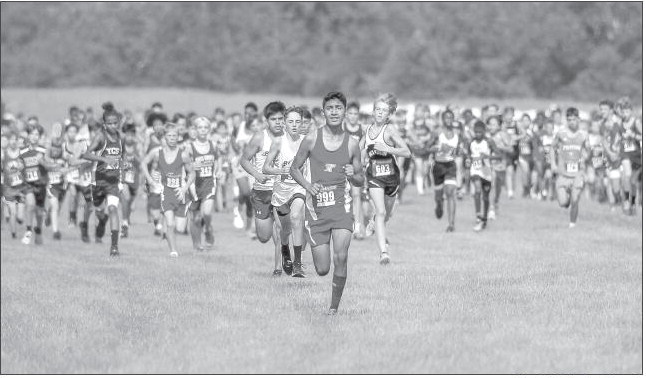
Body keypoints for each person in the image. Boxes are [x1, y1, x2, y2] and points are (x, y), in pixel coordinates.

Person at [290, 91, 365, 315]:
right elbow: (294, 168)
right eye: (330, 108)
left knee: (341, 256)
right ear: (324, 112)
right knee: (323, 269)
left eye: (338, 108)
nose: (334, 112)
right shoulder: (312, 138)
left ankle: (333, 308)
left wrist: (354, 174)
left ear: (344, 112)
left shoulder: (352, 144)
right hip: (317, 211)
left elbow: (361, 179)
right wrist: (307, 185)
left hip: (342, 208)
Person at [361, 93, 410, 263]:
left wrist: (388, 149)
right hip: (374, 177)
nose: (380, 113)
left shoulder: (389, 130)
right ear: (373, 112)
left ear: (389, 115)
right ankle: (384, 253)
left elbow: (406, 151)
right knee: (380, 211)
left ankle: (375, 223)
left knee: (386, 215)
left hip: (392, 178)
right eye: (378, 109)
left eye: (384, 110)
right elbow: (358, 153)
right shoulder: (366, 131)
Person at [263, 106, 308, 277]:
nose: (294, 125)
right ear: (284, 124)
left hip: (299, 188)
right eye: (291, 121)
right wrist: (279, 171)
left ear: (302, 123)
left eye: (298, 121)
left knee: (296, 217)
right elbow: (266, 167)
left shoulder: (306, 142)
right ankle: (284, 248)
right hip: (281, 192)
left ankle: (297, 264)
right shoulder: (278, 143)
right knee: (284, 230)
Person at [240, 101, 284, 276]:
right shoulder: (259, 138)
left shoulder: (290, 138)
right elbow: (243, 160)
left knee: (281, 231)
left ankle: (278, 268)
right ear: (267, 120)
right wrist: (257, 175)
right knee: (264, 237)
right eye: (274, 119)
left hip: (282, 191)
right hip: (262, 191)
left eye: (281, 118)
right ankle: (271, 227)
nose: (278, 122)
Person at [141, 123, 194, 257]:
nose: (172, 138)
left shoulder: (183, 155)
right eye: (169, 136)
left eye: (174, 136)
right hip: (166, 193)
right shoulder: (157, 153)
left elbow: (193, 173)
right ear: (164, 137)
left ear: (178, 137)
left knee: (180, 228)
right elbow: (143, 163)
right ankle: (173, 251)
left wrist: (185, 188)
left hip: (181, 194)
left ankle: (169, 232)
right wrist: (151, 181)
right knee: (170, 223)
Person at [80, 103, 125, 256]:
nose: (113, 126)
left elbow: (122, 158)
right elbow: (86, 154)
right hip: (98, 181)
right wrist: (104, 160)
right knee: (98, 211)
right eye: (110, 123)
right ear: (104, 124)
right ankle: (98, 220)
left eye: (115, 123)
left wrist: (123, 176)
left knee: (113, 209)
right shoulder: (101, 136)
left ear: (118, 122)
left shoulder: (121, 138)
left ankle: (114, 247)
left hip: (113, 182)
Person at [185, 116, 221, 251]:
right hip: (194, 185)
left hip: (209, 183)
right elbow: (184, 165)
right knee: (195, 218)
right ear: (195, 129)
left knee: (206, 213)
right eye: (200, 127)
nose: (203, 130)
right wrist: (190, 167)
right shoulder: (189, 147)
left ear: (209, 129)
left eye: (206, 127)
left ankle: (208, 229)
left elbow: (218, 159)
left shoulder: (213, 145)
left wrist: (218, 171)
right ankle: (197, 245)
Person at [551, 107, 589, 228]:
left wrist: (586, 158)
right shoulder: (561, 134)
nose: (572, 122)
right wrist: (553, 164)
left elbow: (589, 150)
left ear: (579, 119)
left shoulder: (583, 135)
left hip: (578, 173)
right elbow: (552, 148)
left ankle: (572, 224)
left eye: (574, 119)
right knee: (563, 203)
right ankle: (566, 197)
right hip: (563, 174)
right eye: (569, 120)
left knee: (575, 198)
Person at [428, 109, 465, 232]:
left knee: (450, 192)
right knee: (439, 196)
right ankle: (439, 204)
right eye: (446, 118)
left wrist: (459, 151)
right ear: (442, 119)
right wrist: (438, 148)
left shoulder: (457, 134)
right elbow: (427, 148)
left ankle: (451, 224)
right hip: (438, 166)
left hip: (450, 166)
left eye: (451, 118)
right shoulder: (437, 132)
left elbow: (460, 150)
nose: (448, 120)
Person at [19, 123, 49, 245]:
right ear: (28, 135)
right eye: (32, 134)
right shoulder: (22, 151)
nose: (34, 136)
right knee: (30, 205)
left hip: (41, 184)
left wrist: (42, 161)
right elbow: (20, 165)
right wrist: (18, 166)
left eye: (37, 134)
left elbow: (48, 165)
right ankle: (28, 231)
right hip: (28, 184)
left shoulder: (44, 150)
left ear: (40, 136)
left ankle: (39, 230)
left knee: (39, 212)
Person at [64, 123, 95, 242]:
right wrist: (85, 161)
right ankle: (72, 217)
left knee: (90, 206)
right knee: (72, 195)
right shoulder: (81, 143)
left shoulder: (101, 144)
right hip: (75, 177)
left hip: (89, 179)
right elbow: (72, 161)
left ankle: (86, 225)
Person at [466, 121, 496, 232]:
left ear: (484, 131)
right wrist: (468, 160)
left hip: (487, 172)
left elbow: (499, 155)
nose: (478, 134)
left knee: (486, 197)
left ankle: (484, 218)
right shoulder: (471, 142)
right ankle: (478, 215)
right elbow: (468, 155)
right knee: (477, 190)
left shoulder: (489, 142)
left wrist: (487, 157)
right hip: (475, 170)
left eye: (480, 132)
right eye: (476, 132)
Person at [344, 101, 366, 239]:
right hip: (341, 165)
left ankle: (357, 227)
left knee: (356, 194)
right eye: (350, 113)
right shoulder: (341, 128)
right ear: (346, 114)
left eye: (355, 113)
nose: (353, 116)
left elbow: (362, 149)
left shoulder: (362, 130)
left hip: (356, 165)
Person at [616, 98, 642, 215]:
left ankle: (632, 203)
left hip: (636, 155)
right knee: (626, 175)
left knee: (633, 182)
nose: (625, 114)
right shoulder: (620, 122)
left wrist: (634, 135)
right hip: (625, 153)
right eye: (623, 112)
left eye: (627, 112)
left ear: (631, 111)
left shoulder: (636, 122)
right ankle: (626, 199)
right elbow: (618, 136)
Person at [44, 122, 68, 240]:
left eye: (60, 129)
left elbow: (66, 156)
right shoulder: (49, 142)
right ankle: (55, 231)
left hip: (62, 180)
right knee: (54, 204)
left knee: (58, 206)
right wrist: (55, 162)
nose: (57, 131)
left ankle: (49, 215)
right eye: (55, 129)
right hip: (51, 179)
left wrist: (64, 161)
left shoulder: (64, 142)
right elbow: (46, 157)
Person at [1, 130, 26, 239]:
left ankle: (19, 221)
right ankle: (13, 234)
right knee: (13, 212)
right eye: (11, 140)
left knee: (20, 217)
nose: (13, 142)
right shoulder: (3, 154)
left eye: (15, 140)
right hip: (8, 188)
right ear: (8, 142)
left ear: (17, 141)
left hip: (21, 187)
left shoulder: (22, 153)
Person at [119, 122, 141, 237]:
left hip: (135, 180)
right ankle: (124, 223)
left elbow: (142, 164)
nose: (130, 138)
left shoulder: (138, 147)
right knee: (125, 198)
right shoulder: (120, 147)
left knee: (130, 206)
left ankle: (126, 222)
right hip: (124, 179)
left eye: (132, 135)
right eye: (128, 135)